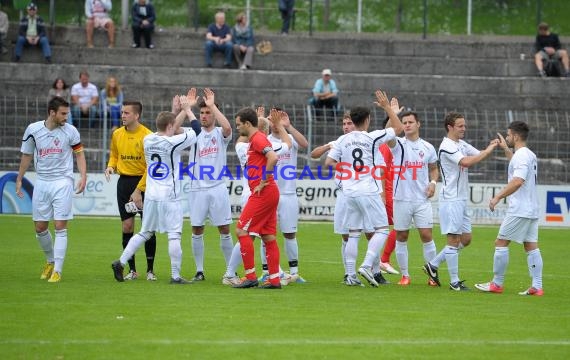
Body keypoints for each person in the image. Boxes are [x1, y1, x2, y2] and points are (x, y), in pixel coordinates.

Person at [112, 92, 201, 284]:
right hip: (170, 195)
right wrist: (188, 110)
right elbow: (197, 130)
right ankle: (175, 275)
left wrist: (176, 112)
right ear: (170, 127)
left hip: (151, 195)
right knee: (174, 234)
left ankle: (120, 262)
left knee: (145, 232)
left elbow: (170, 126)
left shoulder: (148, 139)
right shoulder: (173, 142)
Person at [325, 90, 404, 287]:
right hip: (368, 189)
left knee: (353, 233)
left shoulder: (343, 140)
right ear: (368, 120)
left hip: (349, 191)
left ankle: (351, 276)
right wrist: (387, 108)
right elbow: (399, 128)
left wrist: (348, 172)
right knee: (383, 229)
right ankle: (367, 265)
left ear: (352, 120)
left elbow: (328, 162)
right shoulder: (373, 137)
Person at [423, 112, 499, 291]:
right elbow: (466, 162)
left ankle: (433, 265)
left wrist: (493, 145)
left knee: (466, 238)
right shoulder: (447, 146)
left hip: (461, 198)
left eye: (464, 125)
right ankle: (455, 282)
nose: (464, 128)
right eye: (460, 126)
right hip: (451, 199)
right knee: (453, 239)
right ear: (450, 127)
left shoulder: (460, 143)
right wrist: (488, 150)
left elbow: (478, 155)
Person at [15, 96, 87, 283]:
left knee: (60, 226)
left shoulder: (71, 131)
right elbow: (27, 155)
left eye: (67, 113)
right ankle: (50, 261)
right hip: (42, 182)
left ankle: (58, 270)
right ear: (52, 112)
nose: (66, 117)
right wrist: (20, 178)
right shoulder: (33, 130)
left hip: (62, 181)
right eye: (63, 114)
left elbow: (79, 155)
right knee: (40, 228)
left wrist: (83, 176)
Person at [311, 112, 387, 286]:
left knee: (370, 233)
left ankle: (375, 272)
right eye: (344, 124)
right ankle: (349, 274)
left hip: (363, 191)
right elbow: (314, 155)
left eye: (350, 123)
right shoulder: (340, 142)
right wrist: (328, 146)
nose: (346, 127)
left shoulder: (368, 142)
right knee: (347, 235)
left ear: (357, 124)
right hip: (345, 194)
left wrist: (381, 192)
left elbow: (381, 169)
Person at [475, 121, 543, 296]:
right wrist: (506, 149)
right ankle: (537, 286)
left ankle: (497, 284)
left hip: (519, 208)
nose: (506, 137)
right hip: (531, 208)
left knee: (501, 242)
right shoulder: (528, 155)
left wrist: (498, 196)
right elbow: (517, 167)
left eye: (508, 135)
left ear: (516, 136)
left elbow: (518, 181)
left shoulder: (522, 156)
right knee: (531, 246)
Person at [232, 108, 291, 289]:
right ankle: (274, 280)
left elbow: (272, 158)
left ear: (248, 124)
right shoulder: (253, 140)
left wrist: (263, 179)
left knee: (241, 231)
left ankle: (250, 276)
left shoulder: (258, 139)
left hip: (263, 193)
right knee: (268, 236)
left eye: (239, 124)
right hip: (268, 193)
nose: (237, 128)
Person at [104, 100, 157, 281]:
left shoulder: (148, 136)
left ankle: (150, 270)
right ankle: (132, 270)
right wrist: (111, 166)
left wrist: (139, 189)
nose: (123, 116)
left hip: (144, 183)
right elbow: (114, 155)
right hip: (124, 183)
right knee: (127, 226)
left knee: (148, 227)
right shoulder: (117, 134)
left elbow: (150, 167)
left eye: (126, 113)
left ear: (137, 115)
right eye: (122, 112)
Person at [386, 109, 439, 286]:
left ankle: (432, 276)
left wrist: (433, 182)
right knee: (401, 236)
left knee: (426, 235)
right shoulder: (398, 144)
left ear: (418, 124)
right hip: (401, 198)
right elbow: (387, 135)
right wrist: (390, 111)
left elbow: (433, 168)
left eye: (410, 122)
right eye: (404, 122)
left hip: (421, 199)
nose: (407, 125)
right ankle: (405, 275)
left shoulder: (428, 147)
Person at [187, 88, 234, 282]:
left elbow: (229, 128)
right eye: (202, 113)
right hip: (197, 189)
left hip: (217, 187)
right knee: (197, 229)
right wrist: (186, 108)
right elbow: (170, 130)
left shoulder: (219, 133)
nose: (204, 116)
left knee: (224, 229)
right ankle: (199, 271)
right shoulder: (192, 133)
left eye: (208, 113)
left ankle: (230, 271)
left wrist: (213, 105)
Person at [259, 108, 308, 284]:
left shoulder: (290, 138)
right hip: (269, 193)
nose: (275, 123)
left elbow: (305, 144)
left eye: (278, 119)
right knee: (265, 234)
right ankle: (266, 271)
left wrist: (289, 126)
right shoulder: (266, 140)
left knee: (290, 234)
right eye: (272, 120)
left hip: (288, 194)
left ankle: (294, 272)